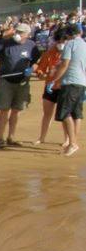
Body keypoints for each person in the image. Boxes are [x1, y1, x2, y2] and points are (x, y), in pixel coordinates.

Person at [0, 23, 40, 149]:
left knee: (16, 110)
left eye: (21, 33)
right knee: (4, 109)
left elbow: (36, 61)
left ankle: (11, 136)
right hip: (5, 80)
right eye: (17, 32)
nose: (18, 35)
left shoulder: (31, 45)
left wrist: (31, 69)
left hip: (22, 82)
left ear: (28, 34)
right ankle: (1, 138)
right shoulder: (6, 42)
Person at [49, 23, 86, 156]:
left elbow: (64, 64)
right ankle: (72, 142)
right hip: (81, 83)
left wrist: (55, 80)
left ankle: (72, 143)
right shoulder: (84, 45)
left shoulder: (70, 44)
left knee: (64, 112)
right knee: (76, 113)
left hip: (70, 82)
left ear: (69, 35)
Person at [34, 26, 68, 145]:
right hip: (50, 87)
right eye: (59, 41)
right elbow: (40, 69)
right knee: (47, 114)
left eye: (63, 41)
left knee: (65, 115)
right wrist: (40, 74)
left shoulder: (69, 54)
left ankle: (67, 139)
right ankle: (42, 137)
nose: (61, 43)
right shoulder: (49, 53)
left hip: (64, 87)